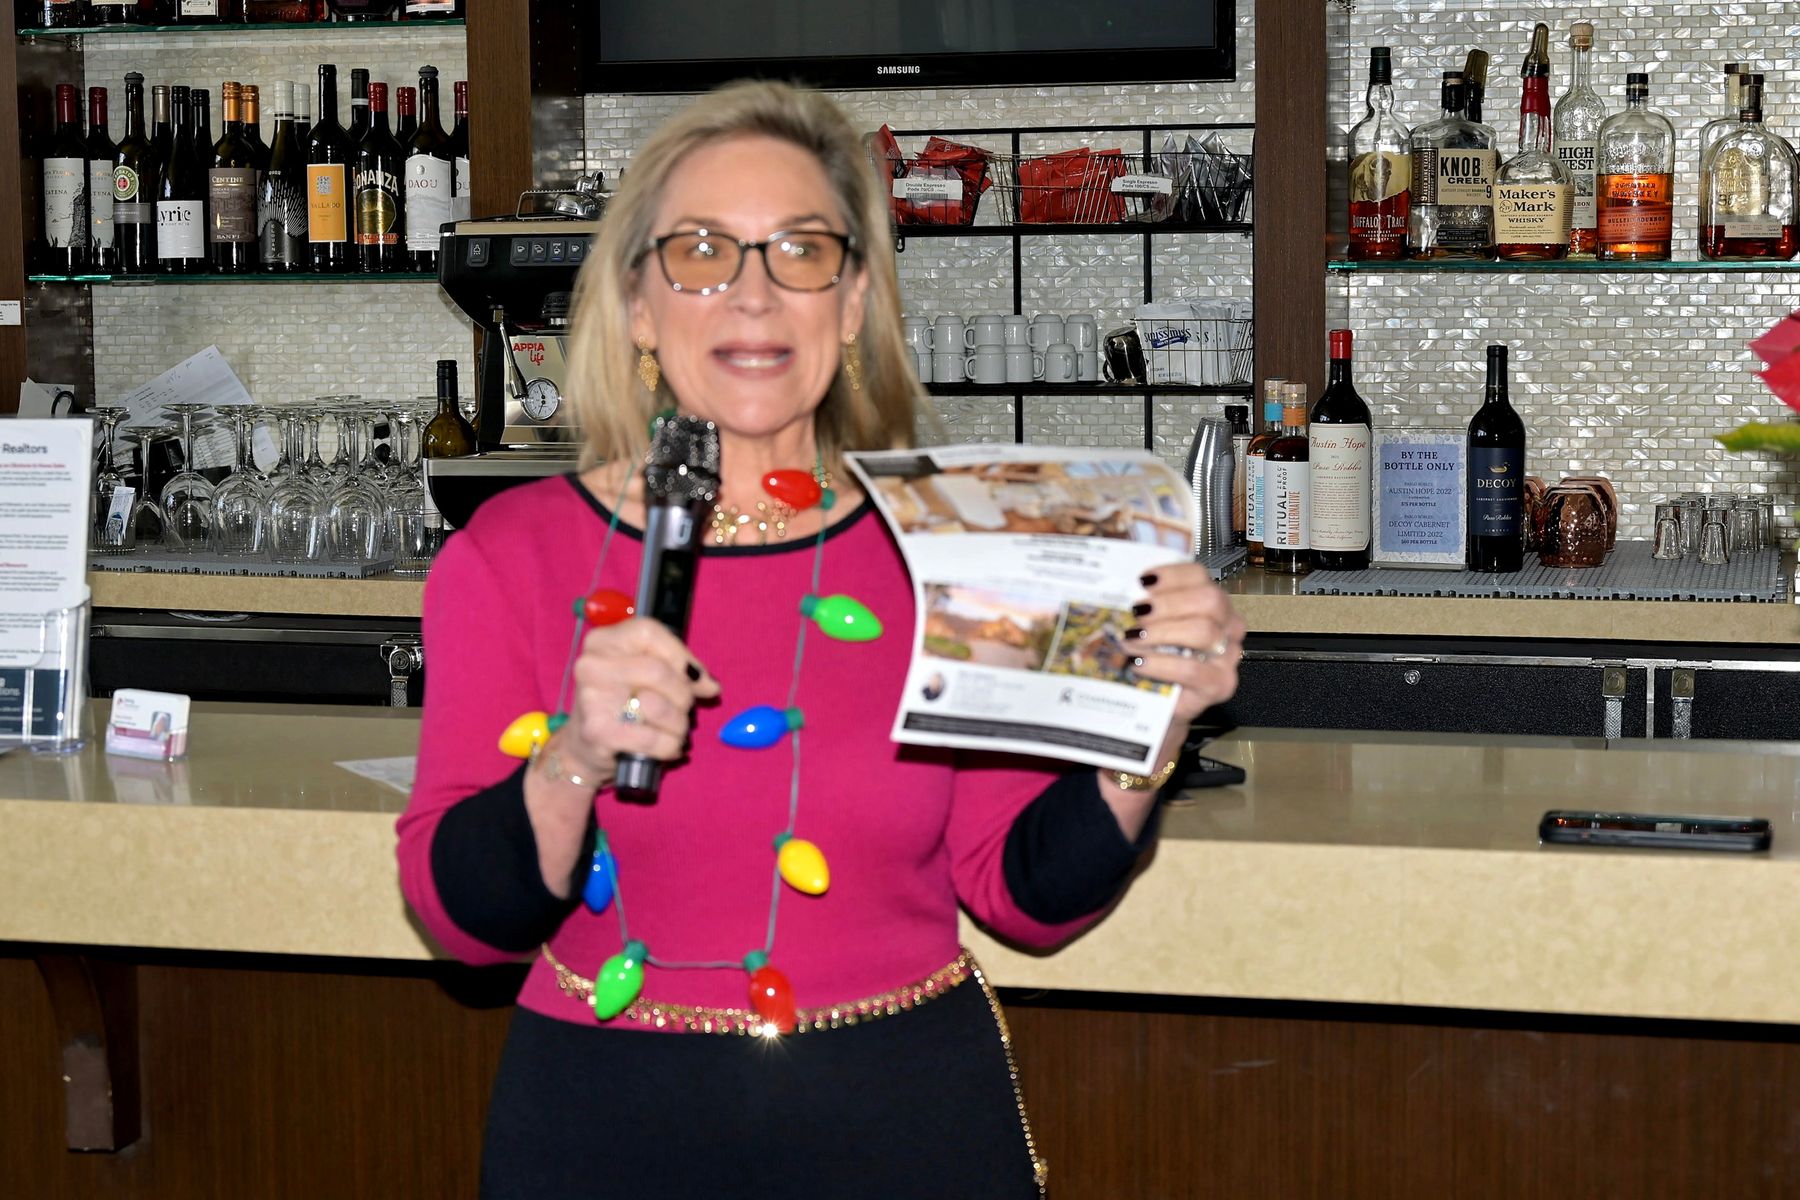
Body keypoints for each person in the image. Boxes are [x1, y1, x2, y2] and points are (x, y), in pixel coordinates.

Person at [398, 80, 1246, 1199]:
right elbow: (464, 924)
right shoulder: (512, 555)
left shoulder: (960, 541)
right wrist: (572, 758)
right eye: (704, 251)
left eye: (801, 251)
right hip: (603, 1133)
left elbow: (1027, 893)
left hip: (906, 1127)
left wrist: (1153, 723)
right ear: (638, 301)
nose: (753, 295)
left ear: (851, 304)